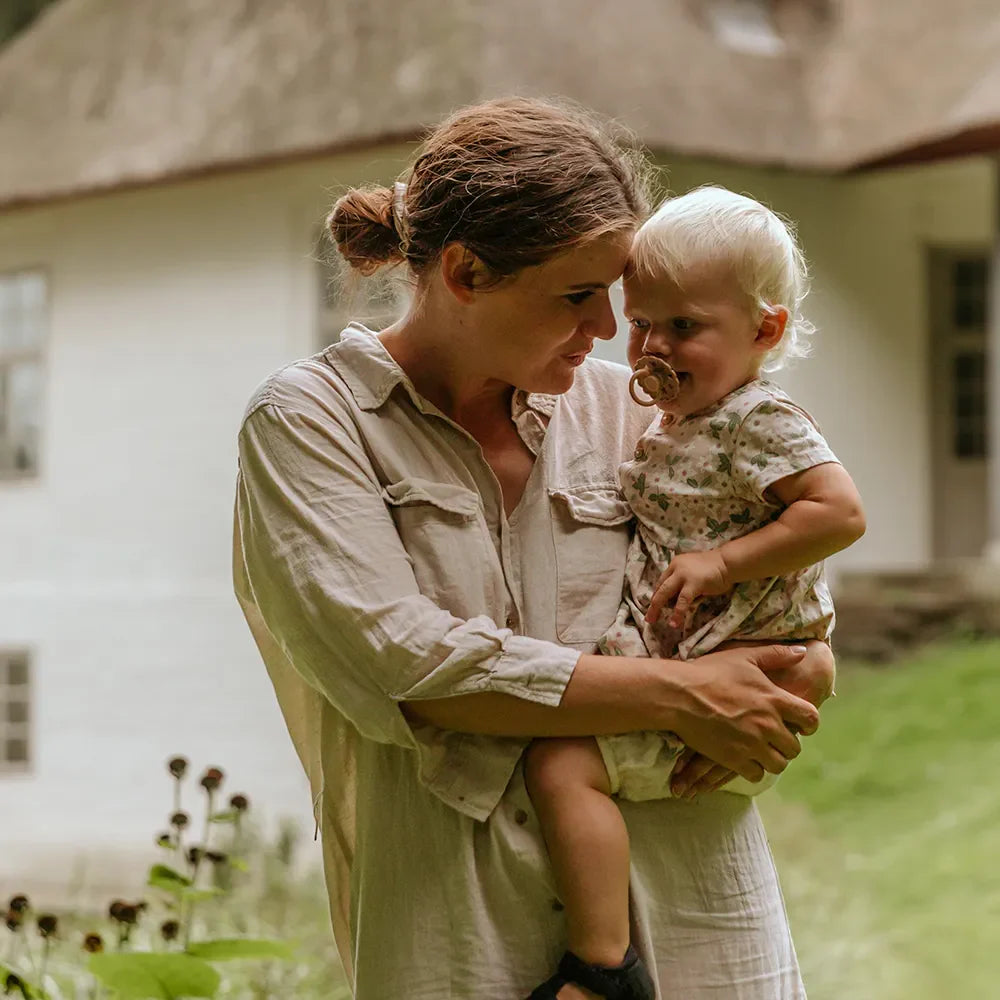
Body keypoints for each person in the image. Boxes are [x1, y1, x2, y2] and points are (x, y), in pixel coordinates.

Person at [232, 98, 835, 1000]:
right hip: (459, 928)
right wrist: (685, 691)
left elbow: (779, 573)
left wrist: (803, 670)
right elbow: (404, 665)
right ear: (466, 272)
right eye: (577, 296)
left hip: (702, 912)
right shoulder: (311, 424)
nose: (610, 331)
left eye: (617, 296)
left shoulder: (648, 410)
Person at [523, 186, 865, 998]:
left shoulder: (759, 418)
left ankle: (602, 965)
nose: (651, 346)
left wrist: (726, 564)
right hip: (698, 663)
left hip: (733, 662)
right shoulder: (683, 420)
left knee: (562, 766)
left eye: (685, 327)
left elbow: (840, 512)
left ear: (765, 330)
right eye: (642, 321)